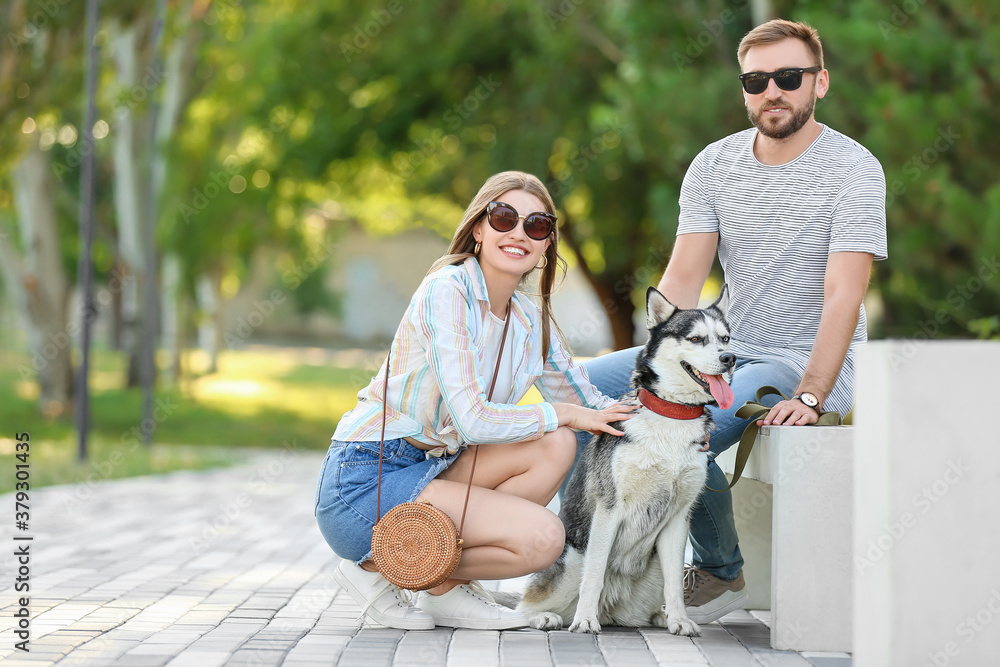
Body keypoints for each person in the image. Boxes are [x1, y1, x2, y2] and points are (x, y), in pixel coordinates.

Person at [573, 19, 887, 624]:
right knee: (582, 392)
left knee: (686, 420)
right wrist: (652, 367)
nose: (773, 91)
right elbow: (682, 279)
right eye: (756, 79)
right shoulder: (713, 165)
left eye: (788, 78)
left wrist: (814, 392)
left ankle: (720, 569)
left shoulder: (854, 168)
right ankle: (574, 566)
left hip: (806, 359)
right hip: (728, 348)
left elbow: (843, 295)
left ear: (819, 83)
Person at [315, 171, 636, 630]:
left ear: (547, 244)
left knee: (559, 442)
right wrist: (561, 412)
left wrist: (669, 422)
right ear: (479, 229)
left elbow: (590, 403)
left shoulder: (529, 320)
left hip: (437, 469)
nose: (518, 233)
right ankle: (375, 568)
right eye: (504, 218)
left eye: (537, 226)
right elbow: (471, 422)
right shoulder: (446, 291)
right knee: (545, 538)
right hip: (368, 480)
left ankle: (441, 585)